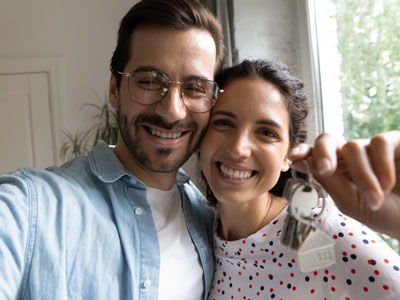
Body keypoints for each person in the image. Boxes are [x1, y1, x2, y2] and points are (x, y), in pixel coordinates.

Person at [0, 1, 224, 299]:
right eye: (148, 81)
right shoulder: (31, 208)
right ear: (114, 89)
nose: (172, 111)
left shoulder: (212, 222)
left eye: (195, 88)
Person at [200, 59, 400, 299]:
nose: (238, 148)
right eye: (223, 122)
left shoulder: (322, 233)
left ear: (288, 155)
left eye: (266, 133)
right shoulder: (199, 232)